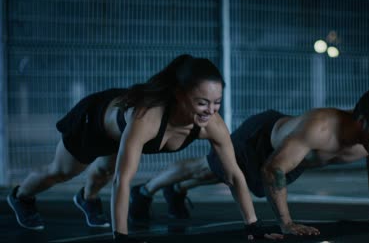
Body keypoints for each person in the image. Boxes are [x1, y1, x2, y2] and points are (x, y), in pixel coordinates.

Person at [7, 54, 282, 242]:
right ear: (179, 95)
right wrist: (122, 237)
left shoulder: (212, 125)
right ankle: (22, 195)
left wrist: (253, 227)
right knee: (62, 171)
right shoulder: (147, 117)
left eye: (217, 102)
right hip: (94, 122)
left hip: (120, 131)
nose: (210, 111)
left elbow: (234, 175)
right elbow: (124, 180)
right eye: (202, 103)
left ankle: (87, 198)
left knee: (104, 168)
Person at [129, 86, 369, 236]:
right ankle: (144, 191)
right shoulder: (321, 127)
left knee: (213, 174)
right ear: (362, 120)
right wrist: (286, 223)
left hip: (288, 158)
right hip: (259, 139)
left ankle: (176, 191)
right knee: (208, 168)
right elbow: (273, 168)